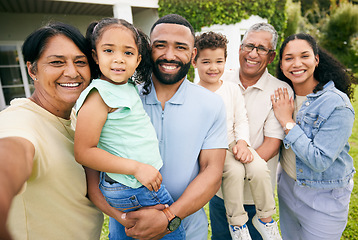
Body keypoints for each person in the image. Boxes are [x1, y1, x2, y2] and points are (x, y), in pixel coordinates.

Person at [85, 14, 227, 240]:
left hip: (188, 229)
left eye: (180, 47)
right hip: (127, 229)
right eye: (160, 45)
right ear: (148, 49)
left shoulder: (211, 104)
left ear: (193, 55)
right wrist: (122, 219)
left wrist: (168, 217)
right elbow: (93, 175)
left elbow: (212, 172)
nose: (169, 55)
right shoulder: (118, 97)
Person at [74, 18, 185, 239]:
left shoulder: (126, 87)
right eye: (108, 50)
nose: (119, 59)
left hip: (135, 185)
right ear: (95, 56)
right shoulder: (99, 95)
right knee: (174, 232)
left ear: (138, 59)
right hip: (133, 186)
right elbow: (83, 151)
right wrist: (136, 168)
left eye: (128, 53)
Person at [0, 22, 103, 240]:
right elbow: (10, 157)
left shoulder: (76, 119)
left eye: (80, 62)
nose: (72, 72)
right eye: (56, 62)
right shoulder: (19, 121)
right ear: (32, 70)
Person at [193, 31, 282, 240]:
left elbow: (241, 119)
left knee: (259, 168)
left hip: (235, 141)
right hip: (214, 148)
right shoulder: (192, 93)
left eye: (219, 61)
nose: (213, 67)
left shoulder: (231, 89)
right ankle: (237, 224)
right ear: (194, 61)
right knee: (233, 172)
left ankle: (266, 218)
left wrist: (243, 143)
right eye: (206, 62)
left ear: (225, 60)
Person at [271, 33, 355, 240]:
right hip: (288, 188)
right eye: (289, 58)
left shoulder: (336, 103)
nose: (296, 63)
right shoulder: (283, 95)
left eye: (304, 56)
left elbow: (320, 160)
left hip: (324, 196)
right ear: (281, 65)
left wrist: (287, 121)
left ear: (316, 60)